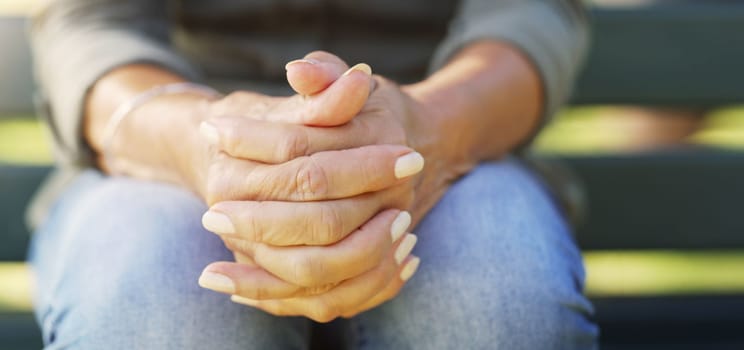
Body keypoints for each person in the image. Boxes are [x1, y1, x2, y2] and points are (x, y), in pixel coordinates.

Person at [28, 0, 598, 348]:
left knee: (499, 310)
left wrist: (432, 129)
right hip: (168, 152)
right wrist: (209, 141)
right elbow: (91, 25)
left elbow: (531, 12)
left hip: (452, 134)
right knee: (155, 318)